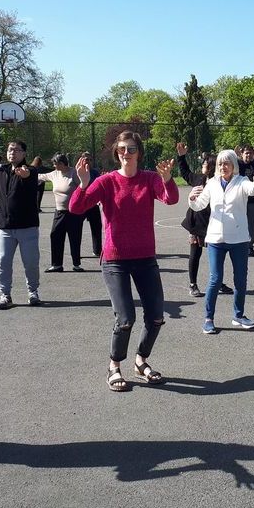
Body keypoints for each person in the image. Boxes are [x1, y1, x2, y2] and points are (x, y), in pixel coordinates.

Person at [69, 131, 179, 392]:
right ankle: (114, 366)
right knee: (125, 318)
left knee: (155, 317)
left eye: (131, 149)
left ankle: (141, 362)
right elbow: (76, 207)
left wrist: (168, 179)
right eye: (121, 150)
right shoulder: (107, 182)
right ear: (116, 153)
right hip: (115, 259)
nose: (126, 154)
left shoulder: (150, 179)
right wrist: (83, 183)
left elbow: (171, 198)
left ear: (139, 152)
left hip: (145, 258)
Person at [189, 149, 254, 334]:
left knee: (240, 280)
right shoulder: (212, 183)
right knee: (215, 279)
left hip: (239, 239)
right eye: (221, 164)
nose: (223, 167)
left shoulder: (242, 182)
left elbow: (253, 189)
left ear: (234, 165)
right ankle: (209, 318)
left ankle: (238, 316)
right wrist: (192, 198)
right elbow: (200, 204)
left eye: (227, 163)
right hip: (216, 238)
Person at [0, 139, 42, 309]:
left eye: (16, 150)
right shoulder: (1, 171)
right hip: (5, 228)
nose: (12, 152)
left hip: (27, 227)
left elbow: (29, 174)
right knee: (3, 262)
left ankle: (33, 292)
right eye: (10, 149)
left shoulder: (31, 171)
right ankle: (5, 295)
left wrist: (25, 174)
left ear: (24, 153)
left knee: (30, 262)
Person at [176, 143, 218, 297]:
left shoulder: (218, 183)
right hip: (196, 223)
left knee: (217, 254)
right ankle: (193, 284)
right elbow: (185, 173)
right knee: (195, 253)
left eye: (206, 163)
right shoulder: (198, 179)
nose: (203, 164)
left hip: (214, 224)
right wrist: (181, 156)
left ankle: (217, 281)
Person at [39, 153, 84, 272]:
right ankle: (56, 264)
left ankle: (76, 264)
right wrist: (27, 173)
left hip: (74, 212)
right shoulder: (54, 174)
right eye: (54, 163)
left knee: (74, 237)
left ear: (63, 163)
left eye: (57, 163)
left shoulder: (73, 173)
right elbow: (41, 176)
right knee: (55, 236)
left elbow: (83, 187)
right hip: (59, 212)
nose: (55, 166)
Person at [80, 152, 103, 257]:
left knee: (97, 227)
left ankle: (97, 250)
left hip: (93, 204)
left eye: (89, 159)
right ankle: (76, 252)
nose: (87, 161)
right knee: (76, 229)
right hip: (80, 204)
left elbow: (99, 187)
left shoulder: (95, 173)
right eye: (85, 159)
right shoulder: (77, 172)